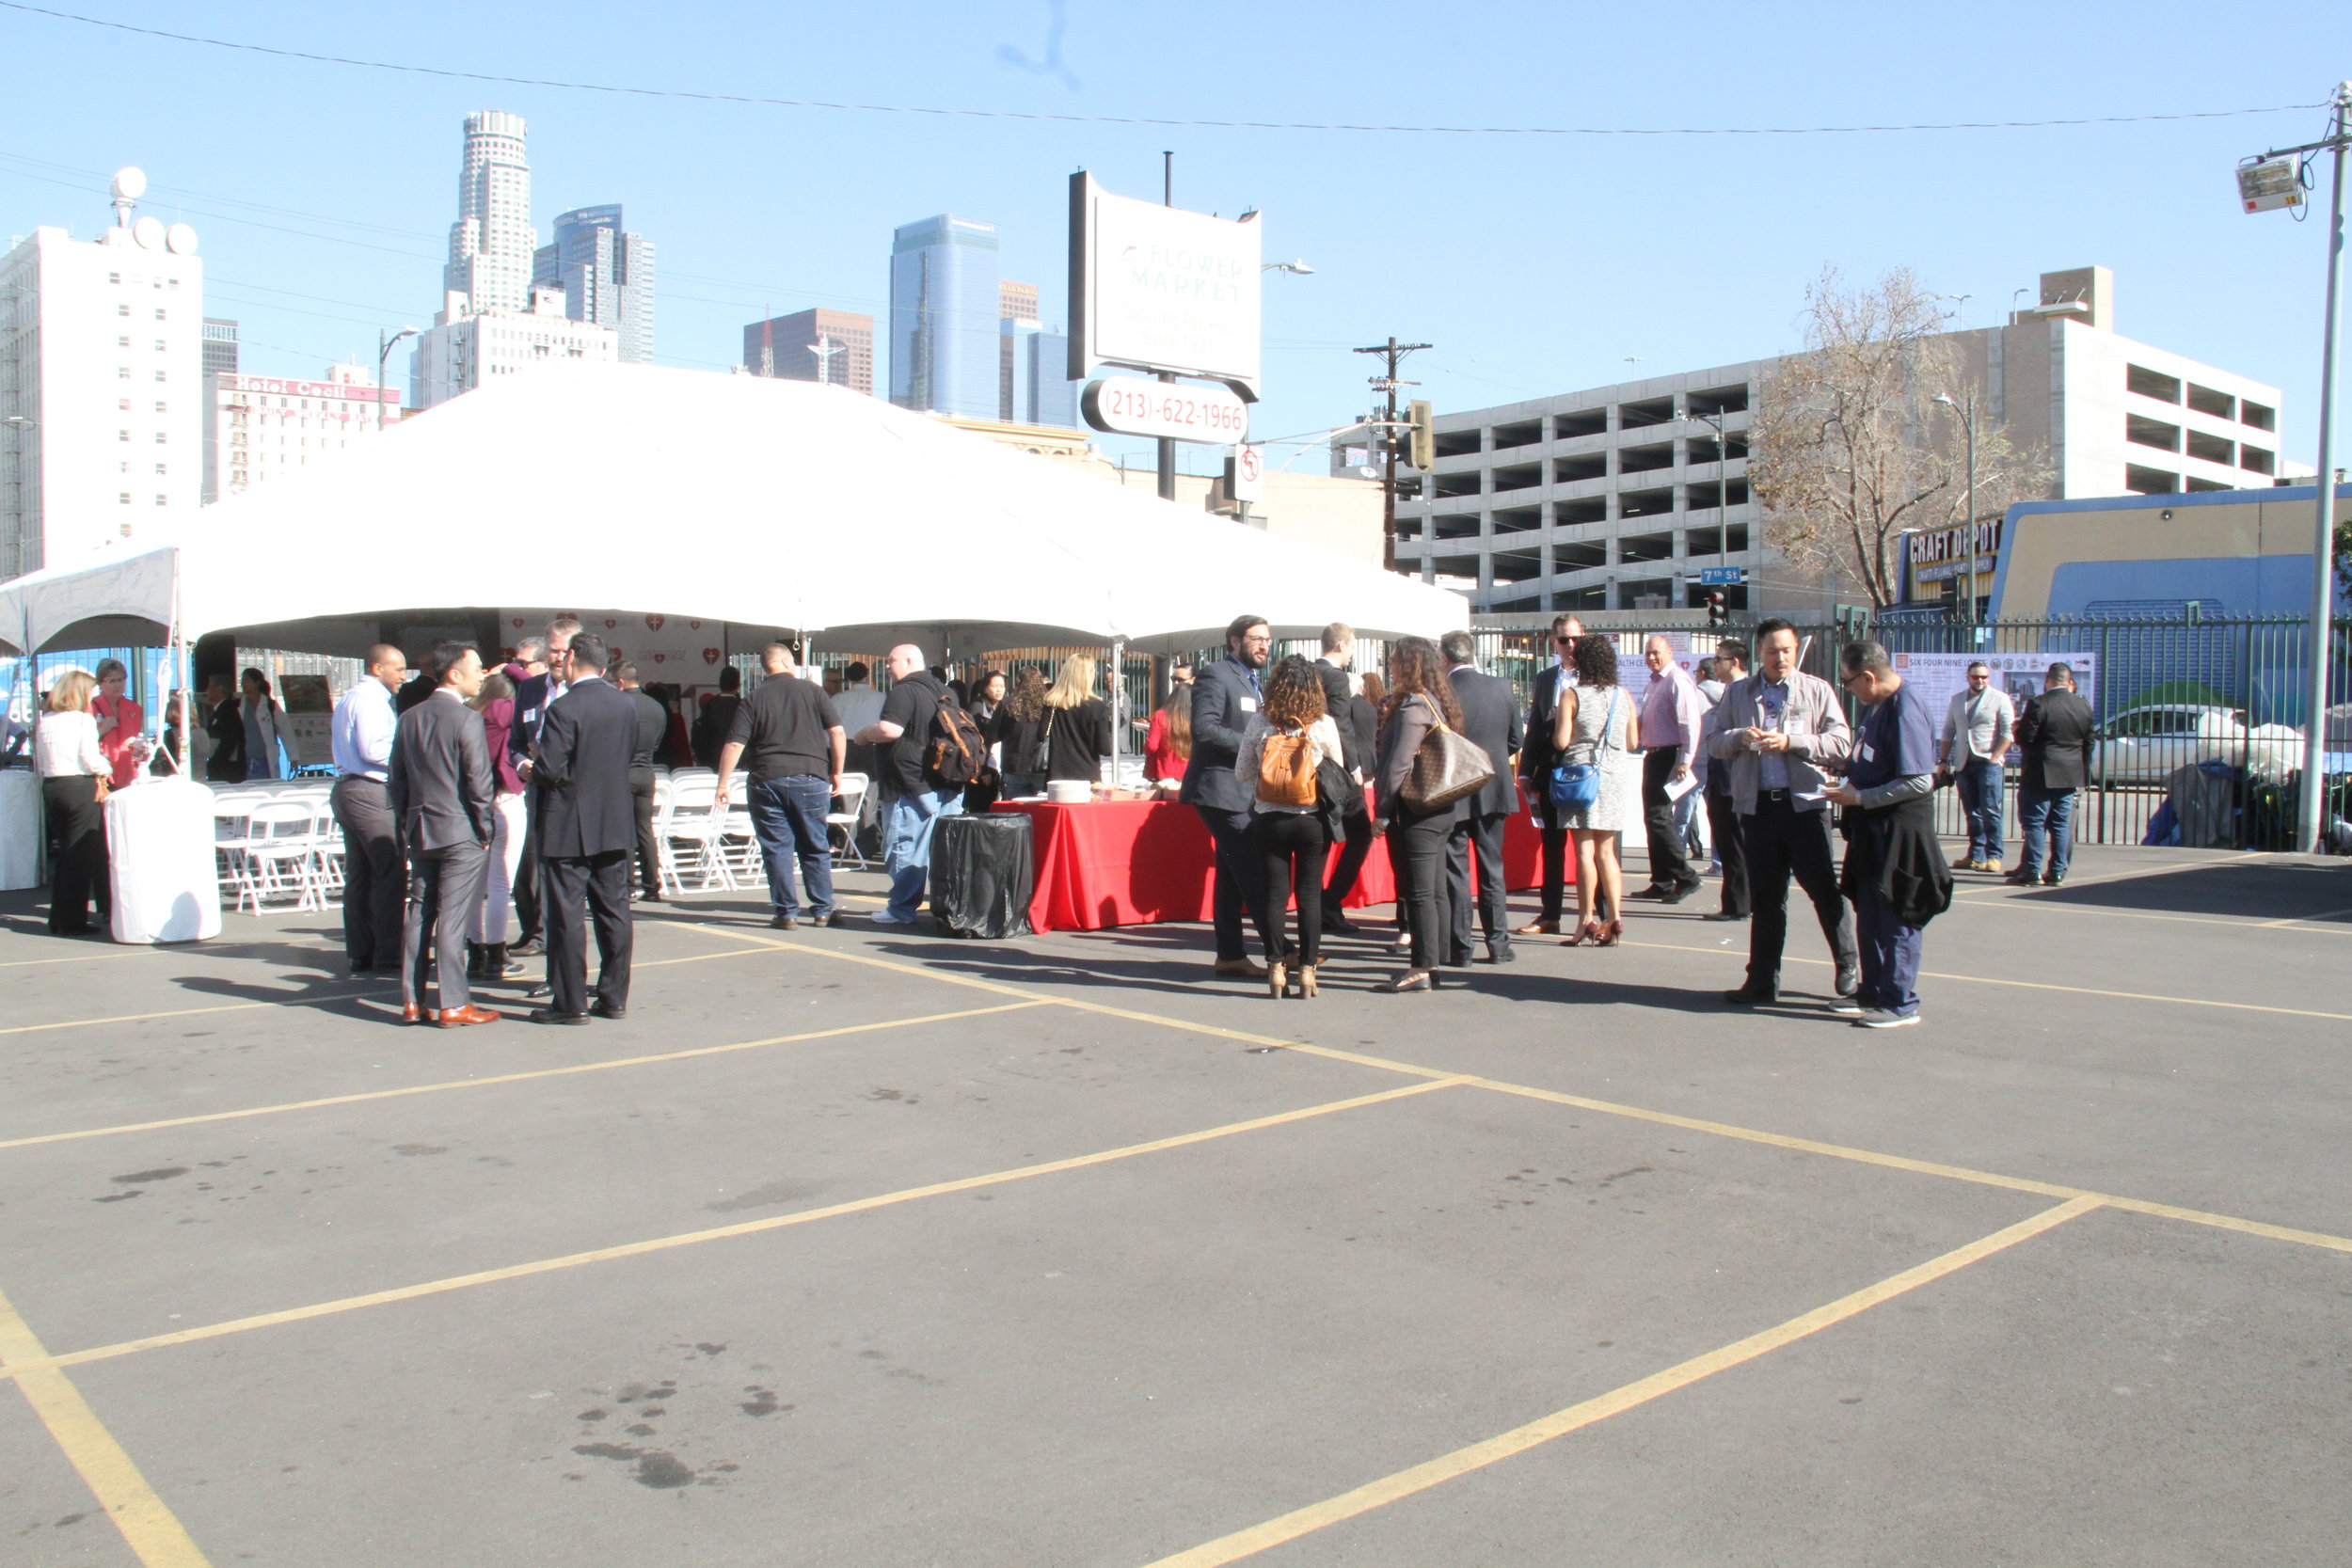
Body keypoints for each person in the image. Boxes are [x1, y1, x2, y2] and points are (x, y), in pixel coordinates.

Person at [1708, 619, 1860, 1007]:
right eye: (1773, 651)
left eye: (1787, 650)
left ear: (1796, 651)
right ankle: (1761, 981)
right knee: (1767, 898)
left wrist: (1793, 741)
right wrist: (1739, 737)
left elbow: (1842, 742)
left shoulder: (1816, 689)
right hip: (1758, 808)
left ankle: (1847, 964)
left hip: (1805, 807)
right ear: (1758, 653)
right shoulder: (1739, 692)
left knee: (1824, 891)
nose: (1781, 658)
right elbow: (1714, 742)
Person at [1825, 641, 1951, 1028]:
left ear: (1868, 676)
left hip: (1899, 829)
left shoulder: (1905, 707)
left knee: (1897, 911)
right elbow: (1872, 758)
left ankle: (1900, 1001)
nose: (1849, 690)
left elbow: (1919, 781)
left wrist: (1860, 797)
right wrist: (1842, 770)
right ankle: (1873, 990)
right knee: (1869, 908)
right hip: (1870, 827)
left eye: (1848, 683)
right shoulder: (1877, 705)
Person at [386, 641, 501, 1029]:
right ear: (454, 673)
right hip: (460, 830)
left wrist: (407, 823)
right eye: (477, 668)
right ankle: (453, 1001)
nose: (483, 674)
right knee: (452, 917)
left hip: (422, 828)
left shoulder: (409, 718)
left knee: (419, 913)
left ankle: (413, 1000)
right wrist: (485, 827)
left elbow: (397, 780)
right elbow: (478, 781)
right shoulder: (466, 719)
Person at [530, 633, 636, 1023]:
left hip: (568, 824)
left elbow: (551, 769)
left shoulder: (563, 707)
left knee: (566, 915)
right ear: (605, 666)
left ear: (571, 658)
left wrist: (532, 767)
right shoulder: (624, 704)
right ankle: (613, 996)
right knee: (614, 911)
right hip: (612, 818)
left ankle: (570, 1001)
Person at [715, 642, 846, 930]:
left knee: (777, 847)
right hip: (811, 776)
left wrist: (723, 783)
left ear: (765, 667)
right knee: (815, 845)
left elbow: (735, 743)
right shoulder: (813, 691)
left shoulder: (753, 698)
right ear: (789, 663)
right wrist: (837, 771)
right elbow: (836, 731)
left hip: (767, 778)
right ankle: (823, 909)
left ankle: (786, 912)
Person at [1236, 655, 1343, 999]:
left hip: (1270, 817)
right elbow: (1338, 773)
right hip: (1311, 818)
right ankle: (1308, 971)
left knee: (1274, 895)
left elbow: (1243, 773)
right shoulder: (1323, 723)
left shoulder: (1261, 722)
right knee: (1310, 894)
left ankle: (1276, 968)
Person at [1180, 614, 1275, 979]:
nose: (1264, 644)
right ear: (1234, 641)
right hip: (1220, 791)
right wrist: (1259, 745)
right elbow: (1205, 730)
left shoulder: (1254, 681)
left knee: (1232, 877)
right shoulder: (1216, 674)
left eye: (1267, 638)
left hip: (1245, 792)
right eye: (1256, 638)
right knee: (1253, 872)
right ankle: (1282, 950)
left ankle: (1231, 955)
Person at [1372, 637, 1467, 992]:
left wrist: (1381, 811)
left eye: (1396, 661)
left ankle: (1422, 968)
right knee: (1434, 889)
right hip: (1439, 808)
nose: (1392, 667)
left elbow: (1398, 764)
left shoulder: (1414, 705)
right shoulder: (1437, 701)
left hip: (1417, 811)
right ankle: (1433, 961)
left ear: (1407, 665)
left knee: (1420, 892)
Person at [854, 643, 962, 927]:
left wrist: (864, 735)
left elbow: (890, 730)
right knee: (942, 850)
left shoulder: (904, 690)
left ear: (910, 661)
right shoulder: (945, 691)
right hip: (946, 781)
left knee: (904, 846)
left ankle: (901, 908)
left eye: (892, 661)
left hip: (910, 782)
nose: (888, 666)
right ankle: (949, 905)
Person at [1549, 633, 1641, 946]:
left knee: (1584, 851)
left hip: (1581, 777)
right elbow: (1632, 742)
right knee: (1608, 852)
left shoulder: (1572, 695)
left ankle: (1584, 921)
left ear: (1580, 661)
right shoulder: (1623, 695)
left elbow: (1561, 741)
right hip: (1614, 776)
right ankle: (1615, 918)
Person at [1440, 629, 1524, 965]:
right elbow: (1516, 739)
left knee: (1456, 870)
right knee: (1492, 867)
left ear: (1445, 657)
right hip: (1493, 786)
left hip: (1455, 788)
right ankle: (1499, 944)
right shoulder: (1501, 687)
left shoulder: (1441, 691)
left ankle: (1461, 949)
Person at [329, 644, 409, 977]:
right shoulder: (371, 699)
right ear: (378, 668)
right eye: (398, 669)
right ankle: (388, 953)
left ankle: (362, 951)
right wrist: (408, 754)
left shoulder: (353, 697)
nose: (403, 677)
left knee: (361, 875)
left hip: (351, 788)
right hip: (369, 789)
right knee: (388, 872)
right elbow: (374, 748)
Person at [1515, 613, 1586, 936]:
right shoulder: (1546, 678)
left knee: (1590, 847)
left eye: (1574, 638)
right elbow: (1533, 729)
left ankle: (1596, 914)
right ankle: (1550, 914)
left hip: (1584, 771)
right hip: (1551, 769)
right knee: (1552, 845)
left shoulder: (1596, 676)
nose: (1570, 645)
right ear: (1553, 641)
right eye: (1563, 639)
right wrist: (1526, 771)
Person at [507, 624, 574, 958]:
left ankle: (561, 937)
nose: (557, 657)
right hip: (536, 791)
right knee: (531, 866)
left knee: (567, 870)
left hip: (574, 792)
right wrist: (521, 765)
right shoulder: (531, 689)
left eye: (564, 650)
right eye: (552, 650)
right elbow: (515, 741)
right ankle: (535, 931)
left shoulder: (585, 691)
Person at [1630, 635, 1706, 903]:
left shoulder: (1677, 680)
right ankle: (1661, 880)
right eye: (1648, 653)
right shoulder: (1654, 684)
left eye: (1656, 652)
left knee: (1659, 817)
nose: (1651, 657)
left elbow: (1689, 724)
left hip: (1670, 754)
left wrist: (1685, 759)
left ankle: (1686, 876)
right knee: (1653, 819)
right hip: (1654, 754)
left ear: (1670, 652)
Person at [37, 671, 111, 936]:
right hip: (79, 786)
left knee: (65, 854)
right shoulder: (83, 720)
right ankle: (72, 920)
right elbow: (90, 758)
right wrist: (107, 767)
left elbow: (41, 759)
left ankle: (60, 917)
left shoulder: (46, 720)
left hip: (53, 786)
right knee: (80, 854)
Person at [1313, 623, 1376, 933]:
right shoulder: (1336, 677)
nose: (1352, 652)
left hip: (1307, 768)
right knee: (1360, 834)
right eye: (1352, 646)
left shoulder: (1308, 673)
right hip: (1336, 770)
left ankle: (1319, 904)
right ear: (1340, 645)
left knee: (1322, 838)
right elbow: (1340, 726)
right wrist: (1353, 768)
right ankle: (1330, 901)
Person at [469, 668, 529, 981]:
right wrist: (512, 667)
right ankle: (496, 954)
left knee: (475, 886)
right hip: (503, 798)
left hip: (474, 801)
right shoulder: (504, 710)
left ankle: (475, 954)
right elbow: (531, 683)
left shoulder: (472, 712)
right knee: (500, 884)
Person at [2012, 662, 2093, 887]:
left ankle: (2032, 870)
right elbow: (2089, 742)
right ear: (2069, 681)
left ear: (2048, 681)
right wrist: (2082, 769)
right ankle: (2057, 871)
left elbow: (2026, 738)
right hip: (2070, 773)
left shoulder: (2038, 703)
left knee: (2035, 823)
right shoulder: (2083, 705)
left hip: (2040, 772)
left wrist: (2017, 729)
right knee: (2060, 824)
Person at [1941, 660, 2016, 874]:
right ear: (1968, 677)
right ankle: (1975, 855)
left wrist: (1995, 756)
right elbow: (1948, 731)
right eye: (1976, 677)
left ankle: (1994, 855)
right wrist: (1943, 760)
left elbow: (2007, 732)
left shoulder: (2000, 699)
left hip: (1988, 763)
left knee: (1991, 810)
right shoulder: (1957, 700)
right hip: (1964, 763)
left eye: (1984, 677)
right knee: (1972, 812)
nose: (1980, 680)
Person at [1699, 639, 1752, 923]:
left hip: (1733, 776)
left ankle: (1738, 903)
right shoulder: (1730, 690)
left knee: (1733, 840)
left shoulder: (1745, 691)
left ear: (1735, 662)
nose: (1715, 664)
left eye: (1720, 659)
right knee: (1726, 837)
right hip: (1719, 770)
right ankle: (1736, 900)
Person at [612, 663, 668, 903]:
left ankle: (627, 886)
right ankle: (652, 884)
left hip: (622, 772)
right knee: (645, 829)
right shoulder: (656, 707)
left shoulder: (618, 705)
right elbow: (658, 741)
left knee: (623, 830)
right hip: (647, 770)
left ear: (620, 683)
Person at [1041, 654, 1113, 784]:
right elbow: (1105, 749)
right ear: (1088, 675)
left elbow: (1041, 735)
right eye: (1093, 671)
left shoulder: (1051, 704)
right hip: (1087, 775)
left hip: (1057, 775)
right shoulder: (1097, 706)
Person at [89, 658, 148, 790]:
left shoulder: (134, 708)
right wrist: (102, 730)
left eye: (120, 680)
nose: (117, 685)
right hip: (100, 772)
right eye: (111, 681)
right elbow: (81, 742)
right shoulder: (90, 707)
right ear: (100, 682)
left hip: (129, 771)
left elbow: (137, 739)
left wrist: (140, 751)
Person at [992, 668, 1050, 798]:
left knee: (1014, 813)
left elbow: (994, 736)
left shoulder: (1007, 704)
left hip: (1014, 765)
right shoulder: (1048, 705)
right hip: (1042, 766)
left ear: (1018, 681)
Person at [238, 668, 291, 782]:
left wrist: (293, 757)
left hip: (265, 760)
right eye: (242, 680)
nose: (242, 683)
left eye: (246, 680)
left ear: (257, 683)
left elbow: (286, 731)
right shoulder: (238, 705)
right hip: (244, 759)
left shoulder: (270, 706)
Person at [691, 665, 741, 770]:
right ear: (738, 686)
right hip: (739, 762)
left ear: (720, 685)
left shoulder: (710, 705)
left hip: (712, 763)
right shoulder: (743, 706)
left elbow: (700, 735)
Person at [1143, 681, 1193, 787]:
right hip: (1190, 773)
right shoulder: (1194, 718)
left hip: (1165, 772)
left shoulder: (1161, 716)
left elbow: (1151, 747)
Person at [202, 673, 245, 783]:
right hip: (221, 769)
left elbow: (229, 741)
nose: (206, 690)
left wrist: (214, 763)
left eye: (210, 687)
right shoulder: (219, 711)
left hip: (227, 771)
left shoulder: (228, 711)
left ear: (220, 689)